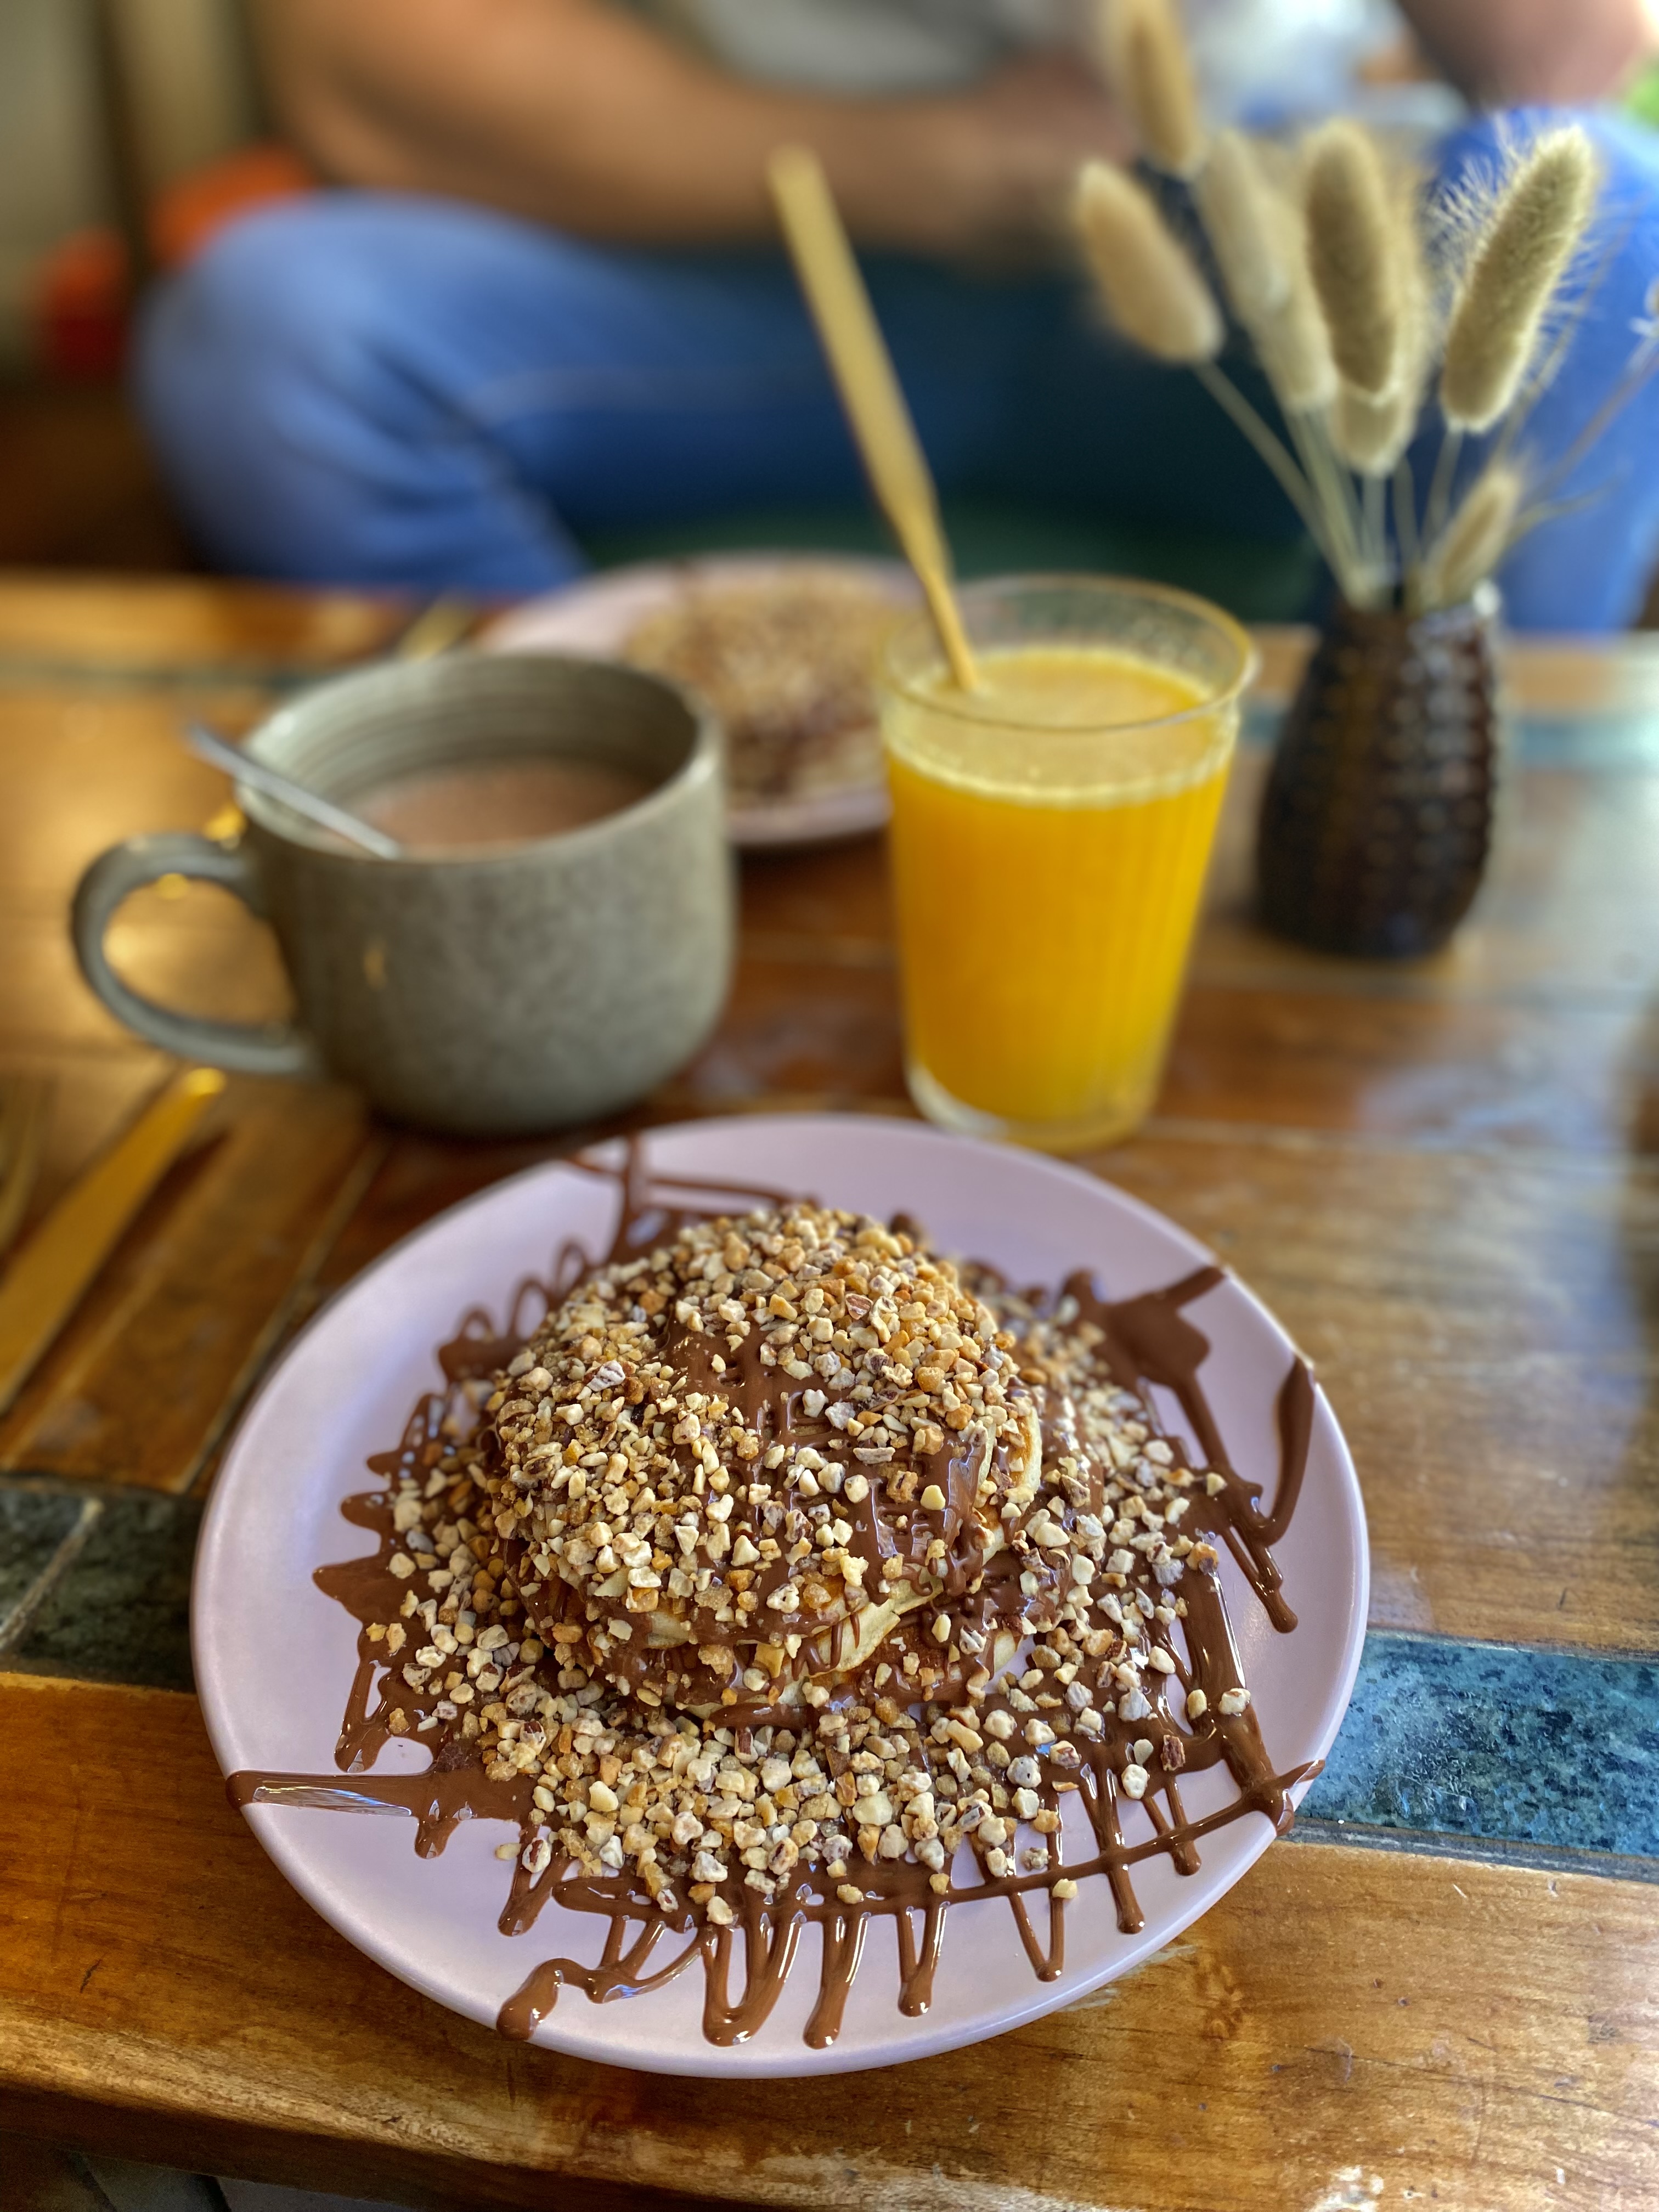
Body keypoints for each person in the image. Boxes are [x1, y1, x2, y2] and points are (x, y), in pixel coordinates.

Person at [139, 0, 1659, 627]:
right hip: (768, 219)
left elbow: (1574, 44)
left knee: (1603, 209)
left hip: (1264, 240)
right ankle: (620, 845)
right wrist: (914, 163)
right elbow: (358, 61)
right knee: (277, 339)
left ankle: (1395, 860)